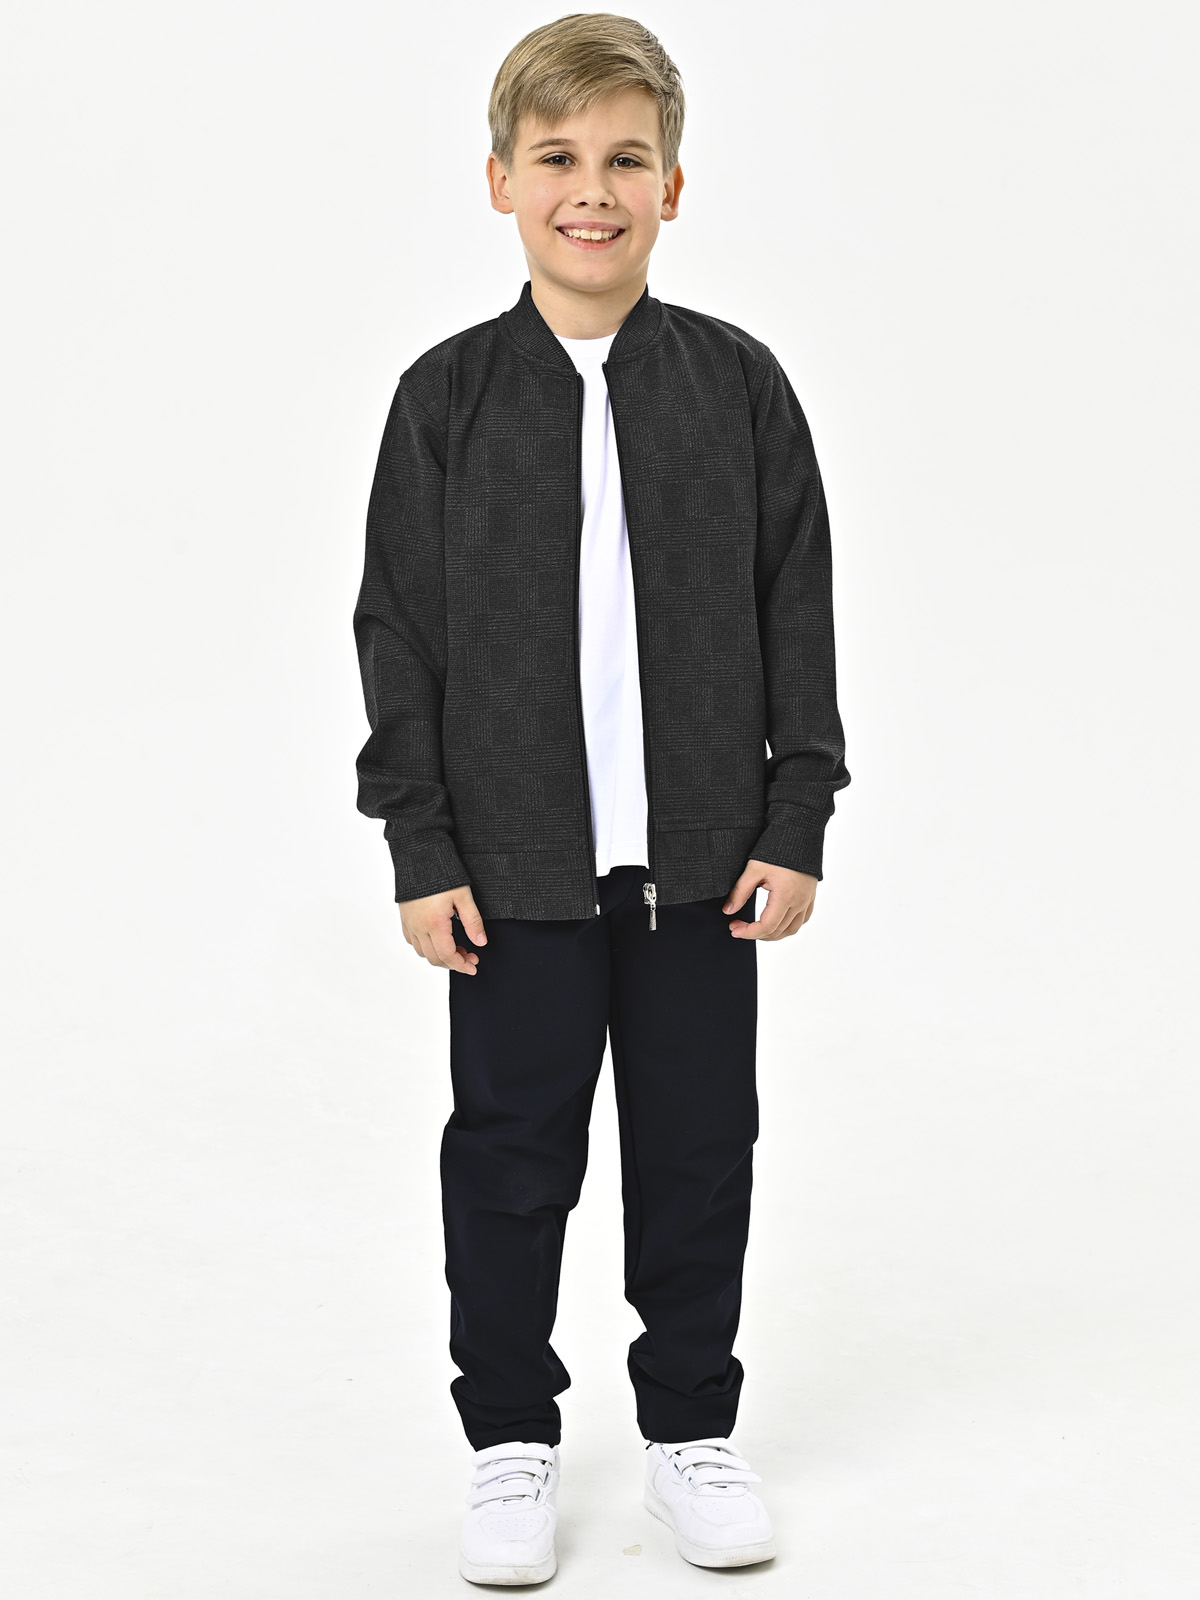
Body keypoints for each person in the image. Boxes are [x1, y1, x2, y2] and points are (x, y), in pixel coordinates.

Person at [352, 12, 850, 1584]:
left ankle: (691, 1435)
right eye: (557, 157)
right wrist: (422, 845)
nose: (593, 189)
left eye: (626, 160)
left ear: (673, 187)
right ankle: (509, 1441)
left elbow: (797, 610)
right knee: (510, 1161)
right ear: (501, 179)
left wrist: (796, 816)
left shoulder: (737, 388)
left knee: (700, 1153)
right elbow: (399, 633)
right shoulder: (447, 400)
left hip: (703, 867)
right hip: (513, 874)